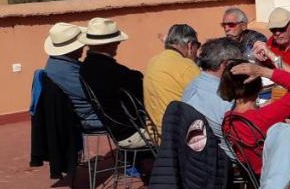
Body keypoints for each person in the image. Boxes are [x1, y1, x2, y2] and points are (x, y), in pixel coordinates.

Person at [220, 60, 290, 175]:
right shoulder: (264, 116)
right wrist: (263, 71)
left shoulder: (228, 118)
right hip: (280, 175)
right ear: (259, 86)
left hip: (253, 175)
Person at [79, 18, 146, 148]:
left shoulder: (86, 67)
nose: (118, 44)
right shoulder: (111, 70)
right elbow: (138, 85)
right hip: (131, 132)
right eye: (117, 42)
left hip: (116, 130)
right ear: (108, 44)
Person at [181, 38, 247, 156]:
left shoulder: (192, 86)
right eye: (240, 63)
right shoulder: (226, 98)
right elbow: (248, 136)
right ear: (226, 64)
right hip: (232, 162)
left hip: (197, 160)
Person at [41, 22, 102, 132]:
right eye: (82, 45)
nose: (84, 47)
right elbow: (97, 94)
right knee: (135, 114)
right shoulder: (65, 71)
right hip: (90, 118)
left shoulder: (57, 62)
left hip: (88, 114)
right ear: (72, 49)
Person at [143, 24, 200, 131]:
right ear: (190, 45)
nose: (197, 53)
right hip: (181, 137)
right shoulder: (187, 66)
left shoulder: (152, 61)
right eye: (198, 46)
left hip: (157, 133)